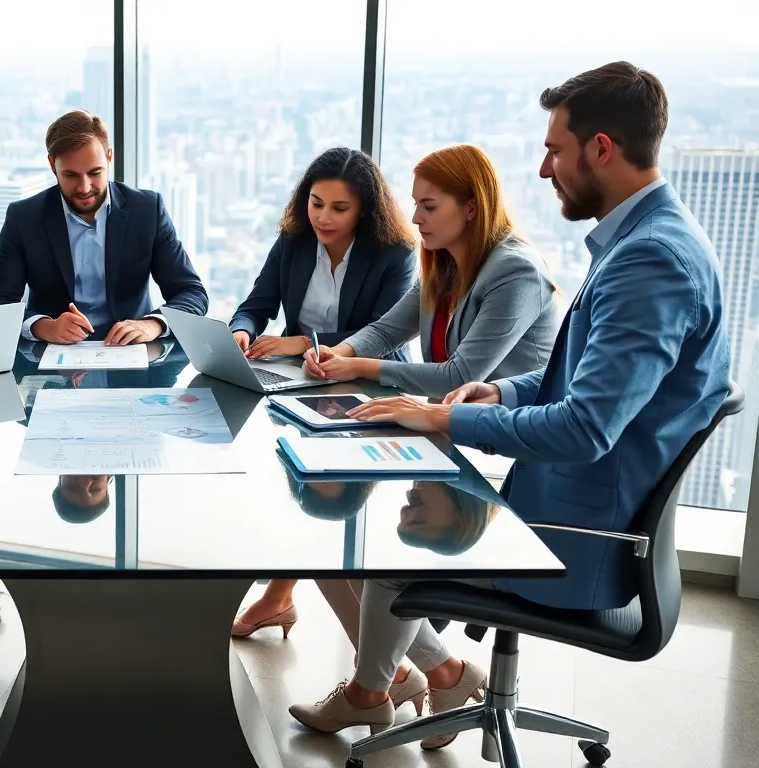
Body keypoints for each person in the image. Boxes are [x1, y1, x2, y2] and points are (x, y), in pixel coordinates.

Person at [289, 62, 730, 749]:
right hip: (565, 493)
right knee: (384, 506)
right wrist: (498, 393)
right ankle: (409, 682)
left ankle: (374, 690)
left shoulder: (651, 260)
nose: (546, 167)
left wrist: (443, 416)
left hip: (576, 533)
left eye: (556, 148)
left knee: (389, 535)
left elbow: (585, 427)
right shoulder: (644, 241)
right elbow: (572, 383)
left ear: (602, 149)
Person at [302, 143, 559, 399]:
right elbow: (386, 331)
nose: (416, 218)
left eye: (429, 207)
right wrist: (338, 353)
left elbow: (459, 377)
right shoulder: (445, 265)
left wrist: (356, 366)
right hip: (445, 424)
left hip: (505, 432)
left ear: (471, 208)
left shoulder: (517, 271)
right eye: (416, 204)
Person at [0, 109, 208, 345]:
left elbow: (192, 293)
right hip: (51, 358)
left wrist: (153, 323)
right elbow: (0, 304)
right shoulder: (24, 217)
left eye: (95, 173)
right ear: (52, 165)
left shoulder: (147, 210)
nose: (84, 188)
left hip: (132, 353)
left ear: (109, 157)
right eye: (71, 175)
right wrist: (44, 326)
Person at [229, 147, 416, 362]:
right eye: (316, 204)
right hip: (299, 368)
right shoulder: (293, 240)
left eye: (339, 209)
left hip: (370, 373)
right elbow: (255, 307)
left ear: (364, 209)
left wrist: (306, 342)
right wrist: (242, 332)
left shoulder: (396, 253)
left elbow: (382, 337)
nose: (322, 218)